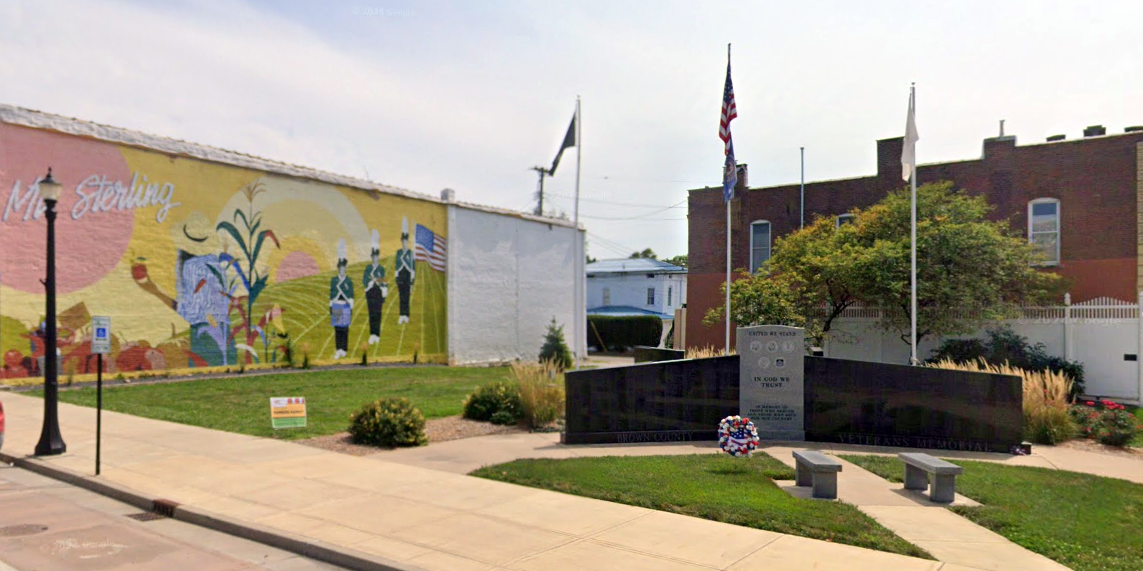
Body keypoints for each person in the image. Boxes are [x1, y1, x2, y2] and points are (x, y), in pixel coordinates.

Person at [329, 239, 354, 359]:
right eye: (340, 267)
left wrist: (349, 302)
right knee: (338, 328)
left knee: (345, 328)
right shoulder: (334, 280)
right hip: (337, 304)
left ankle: (344, 348)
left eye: (344, 267)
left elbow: (350, 294)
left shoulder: (348, 281)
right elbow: (332, 293)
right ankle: (338, 348)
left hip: (345, 304)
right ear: (338, 268)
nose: (342, 269)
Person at [364, 229, 387, 344]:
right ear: (372, 257)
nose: (375, 258)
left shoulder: (381, 269)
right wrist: (371, 282)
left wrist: (376, 280)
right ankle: (372, 334)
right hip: (370, 293)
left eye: (376, 256)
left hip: (378, 293)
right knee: (371, 314)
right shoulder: (368, 268)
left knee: (378, 313)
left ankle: (377, 334)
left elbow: (384, 282)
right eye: (373, 256)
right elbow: (365, 282)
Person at [395, 217, 415, 325]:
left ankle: (406, 315)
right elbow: (397, 266)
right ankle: (401, 315)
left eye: (406, 241)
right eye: (403, 241)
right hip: (401, 276)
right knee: (401, 297)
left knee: (406, 296)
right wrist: (396, 276)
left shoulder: (410, 253)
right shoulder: (399, 252)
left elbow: (412, 268)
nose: (404, 243)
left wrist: (412, 281)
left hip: (407, 276)